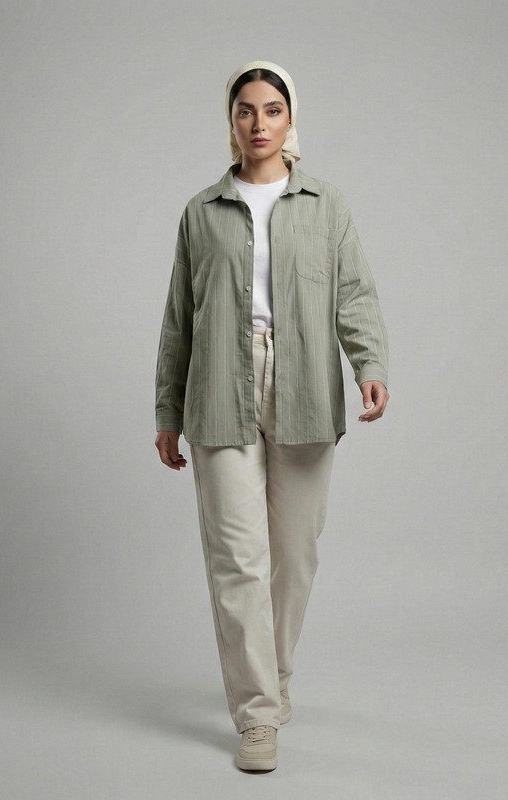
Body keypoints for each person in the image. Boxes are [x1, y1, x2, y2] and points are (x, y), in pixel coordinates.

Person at [154, 61, 389, 772]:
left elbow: (354, 293)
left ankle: (276, 672)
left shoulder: (326, 204)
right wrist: (167, 408)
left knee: (294, 554)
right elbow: (179, 318)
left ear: (290, 119)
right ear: (231, 122)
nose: (259, 124)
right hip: (217, 389)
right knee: (238, 560)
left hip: (306, 385)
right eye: (246, 111)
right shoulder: (201, 211)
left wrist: (369, 365)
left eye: (272, 110)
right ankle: (256, 715)